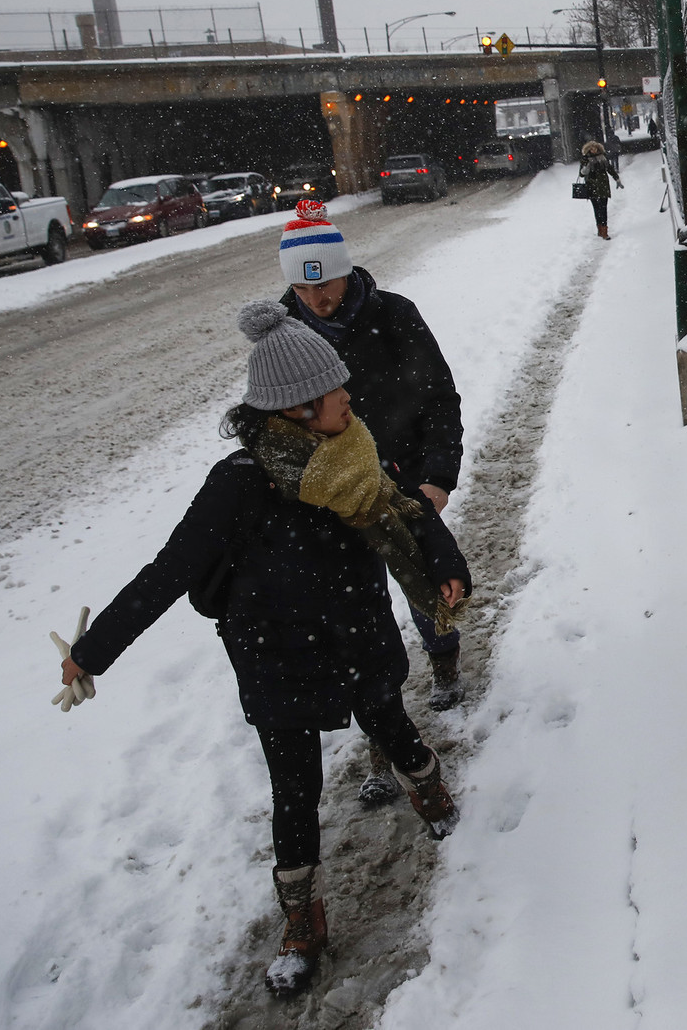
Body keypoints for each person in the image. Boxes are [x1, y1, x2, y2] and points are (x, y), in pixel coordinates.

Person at [57, 302, 468, 998]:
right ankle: (302, 922)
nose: (350, 397)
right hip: (276, 657)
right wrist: (91, 651)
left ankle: (427, 786)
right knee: (294, 790)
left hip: (358, 639)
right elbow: (169, 570)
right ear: (300, 408)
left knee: (391, 727)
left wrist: (446, 566)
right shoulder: (240, 484)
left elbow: (409, 513)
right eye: (337, 391)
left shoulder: (357, 452)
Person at [275, 200, 469, 801]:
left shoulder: (394, 316)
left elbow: (441, 397)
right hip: (329, 501)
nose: (317, 300)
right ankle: (384, 740)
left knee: (421, 586)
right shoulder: (283, 337)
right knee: (358, 624)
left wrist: (436, 475)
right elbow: (272, 423)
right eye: (302, 289)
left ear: (345, 270)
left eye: (325, 283)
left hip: (404, 482)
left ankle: (442, 659)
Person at [579, 140, 623, 238]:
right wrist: (586, 168)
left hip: (603, 185)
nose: (594, 150)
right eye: (591, 149)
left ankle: (604, 231)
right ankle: (599, 228)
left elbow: (609, 168)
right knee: (597, 209)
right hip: (591, 186)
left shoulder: (603, 157)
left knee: (603, 208)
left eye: (595, 148)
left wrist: (617, 178)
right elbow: (581, 174)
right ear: (588, 150)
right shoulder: (585, 159)